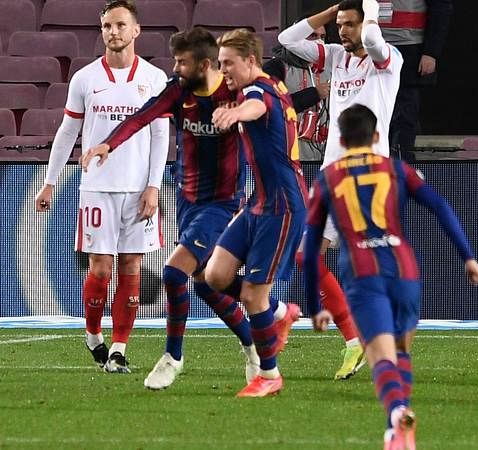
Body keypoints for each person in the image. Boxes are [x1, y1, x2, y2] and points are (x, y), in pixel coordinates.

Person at [80, 27, 301, 390]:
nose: (176, 68)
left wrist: (239, 112)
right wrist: (108, 144)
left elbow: (264, 103)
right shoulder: (179, 91)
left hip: (223, 203)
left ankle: (173, 356)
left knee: (172, 273)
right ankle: (259, 334)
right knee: (207, 284)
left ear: (204, 64)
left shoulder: (235, 92)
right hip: (188, 200)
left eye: (182, 62)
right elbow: (141, 117)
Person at [304, 104, 478, 449]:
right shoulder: (397, 169)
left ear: (340, 140)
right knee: (400, 350)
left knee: (380, 356)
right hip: (404, 268)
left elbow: (311, 249)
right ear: (376, 136)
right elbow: (440, 206)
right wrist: (468, 257)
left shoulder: (327, 178)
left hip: (362, 273)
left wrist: (315, 306)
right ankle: (399, 429)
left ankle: (398, 413)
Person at [34, 0, 169, 374]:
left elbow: (161, 137)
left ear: (136, 30)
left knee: (132, 266)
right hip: (97, 188)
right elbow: (68, 132)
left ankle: (119, 349)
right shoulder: (85, 78)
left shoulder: (155, 79)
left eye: (121, 25)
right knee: (100, 269)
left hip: (138, 190)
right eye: (108, 25)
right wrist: (49, 182)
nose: (114, 31)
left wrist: (153, 187)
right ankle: (93, 335)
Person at [279, 0, 403, 380]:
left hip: (368, 176)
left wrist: (370, 11)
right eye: (340, 24)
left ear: (367, 23)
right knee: (306, 256)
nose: (342, 31)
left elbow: (373, 40)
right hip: (332, 174)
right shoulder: (336, 57)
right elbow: (287, 40)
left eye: (349, 24)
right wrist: (331, 11)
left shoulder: (387, 59)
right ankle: (354, 340)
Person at [204, 28, 306, 397]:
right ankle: (279, 312)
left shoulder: (258, 91)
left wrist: (235, 114)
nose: (223, 71)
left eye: (228, 63)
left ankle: (269, 375)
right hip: (259, 202)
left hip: (282, 206)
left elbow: (255, 106)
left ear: (250, 61)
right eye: (220, 64)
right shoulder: (267, 86)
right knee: (214, 275)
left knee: (251, 296)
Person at [381, 0, 453, 162]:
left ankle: (401, 167)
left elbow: (441, 10)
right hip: (373, 48)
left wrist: (431, 52)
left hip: (409, 49)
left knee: (403, 116)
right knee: (374, 114)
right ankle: (377, 166)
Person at [264, 22, 332, 161]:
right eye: (313, 36)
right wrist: (314, 94)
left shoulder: (330, 67)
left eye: (322, 37)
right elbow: (270, 107)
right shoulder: (276, 67)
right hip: (286, 158)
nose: (319, 41)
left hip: (322, 157)